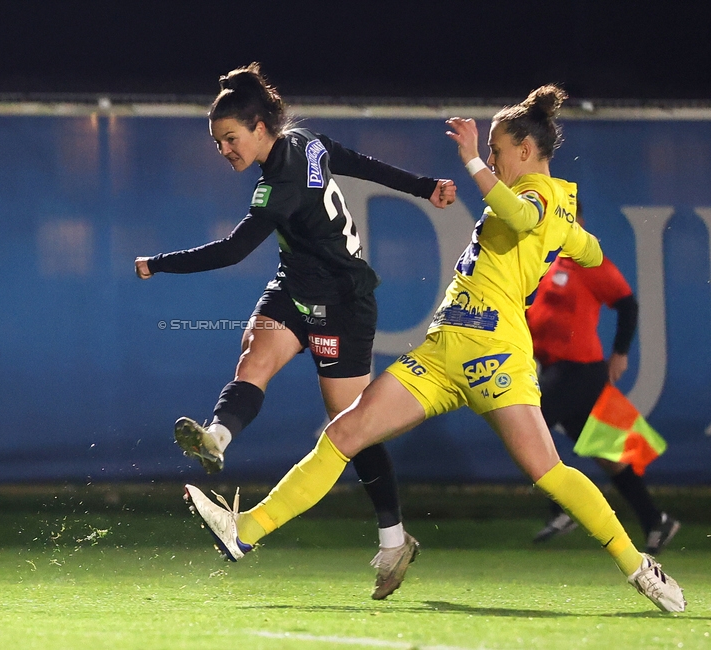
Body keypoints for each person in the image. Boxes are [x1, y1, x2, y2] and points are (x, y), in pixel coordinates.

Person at [183, 84, 686, 613]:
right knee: (344, 432)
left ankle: (638, 566)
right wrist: (565, 238)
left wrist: (472, 162)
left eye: (496, 149)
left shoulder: (537, 194)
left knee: (548, 472)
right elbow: (590, 249)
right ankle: (244, 532)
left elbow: (520, 216)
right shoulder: (554, 206)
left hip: (494, 353)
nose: (491, 156)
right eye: (487, 149)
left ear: (524, 151)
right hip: (443, 348)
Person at [135, 62, 457, 599]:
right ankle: (217, 437)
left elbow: (234, 250)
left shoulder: (279, 183)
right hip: (296, 286)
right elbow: (354, 160)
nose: (225, 151)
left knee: (352, 427)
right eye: (218, 142)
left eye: (230, 139)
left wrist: (158, 263)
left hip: (342, 301)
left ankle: (395, 538)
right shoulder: (306, 141)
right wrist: (423, 186)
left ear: (260, 127)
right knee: (253, 358)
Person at [527, 201, 680, 553]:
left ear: (577, 220)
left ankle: (560, 510)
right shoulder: (549, 260)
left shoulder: (588, 260)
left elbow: (627, 304)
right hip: (558, 368)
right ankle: (656, 521)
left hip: (579, 369)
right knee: (607, 453)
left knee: (533, 421)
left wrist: (620, 353)